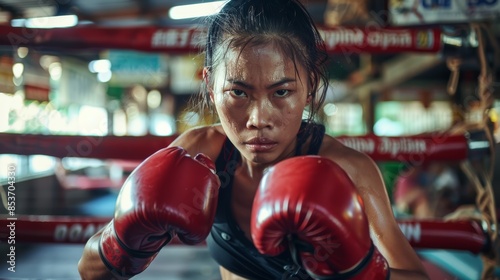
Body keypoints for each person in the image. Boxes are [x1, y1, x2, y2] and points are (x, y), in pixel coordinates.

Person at [78, 0, 429, 279]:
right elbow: (89, 273)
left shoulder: (348, 171)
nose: (259, 119)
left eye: (282, 91)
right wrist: (122, 244)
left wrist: (361, 272)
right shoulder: (199, 154)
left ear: (308, 87)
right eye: (239, 92)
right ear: (211, 87)